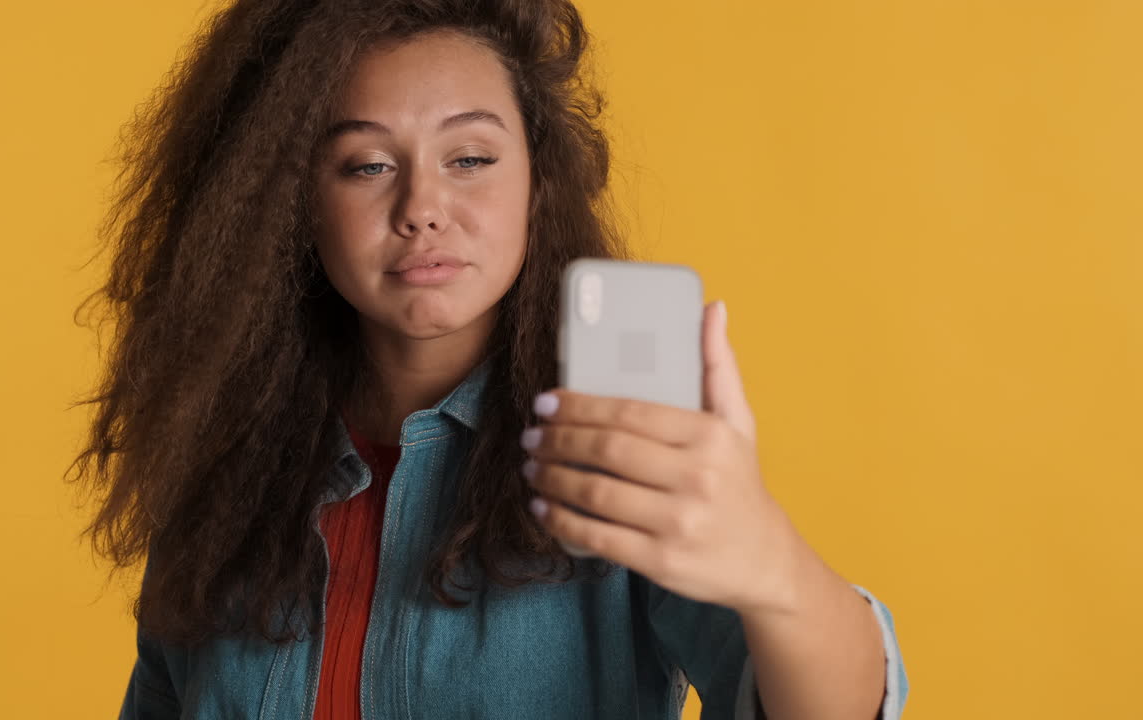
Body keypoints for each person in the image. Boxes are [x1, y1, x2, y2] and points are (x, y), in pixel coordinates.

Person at [67, 1, 910, 718]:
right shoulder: (224, 462)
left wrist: (772, 565)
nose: (423, 208)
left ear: (538, 180)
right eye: (365, 165)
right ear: (288, 202)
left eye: (469, 158)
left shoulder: (619, 445)